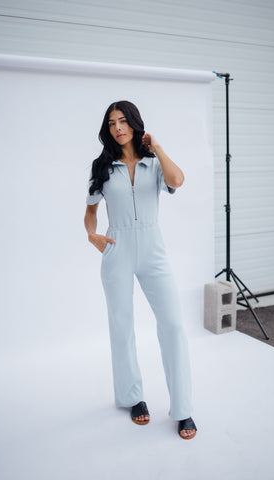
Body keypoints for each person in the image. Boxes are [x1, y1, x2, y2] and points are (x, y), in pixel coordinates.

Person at [84, 100, 197, 439]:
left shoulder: (154, 164)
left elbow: (178, 179)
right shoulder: (102, 167)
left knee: (174, 325)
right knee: (122, 326)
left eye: (123, 121)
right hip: (117, 249)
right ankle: (133, 398)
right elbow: (90, 210)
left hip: (153, 248)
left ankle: (183, 409)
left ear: (134, 124)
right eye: (112, 122)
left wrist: (158, 147)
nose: (117, 127)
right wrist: (93, 237)